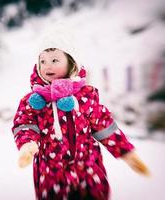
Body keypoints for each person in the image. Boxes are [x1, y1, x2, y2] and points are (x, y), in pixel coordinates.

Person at [11, 26, 150, 200]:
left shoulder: (85, 96)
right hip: (51, 173)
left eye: (55, 60)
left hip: (88, 168)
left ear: (71, 62)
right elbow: (23, 124)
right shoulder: (33, 101)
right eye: (43, 61)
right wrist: (27, 144)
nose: (47, 66)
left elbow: (104, 125)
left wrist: (126, 153)